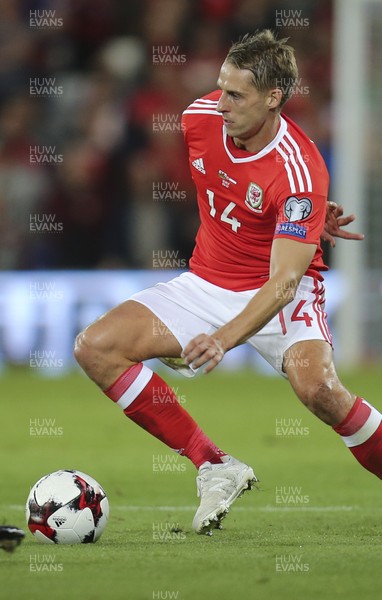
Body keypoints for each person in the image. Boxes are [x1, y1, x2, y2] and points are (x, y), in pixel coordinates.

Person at [74, 30, 372, 536]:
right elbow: (232, 187)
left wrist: (223, 338)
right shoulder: (197, 119)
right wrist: (293, 220)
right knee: (95, 347)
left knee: (320, 390)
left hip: (279, 290)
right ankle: (216, 465)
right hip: (207, 281)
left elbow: (284, 279)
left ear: (273, 98)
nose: (221, 105)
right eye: (220, 88)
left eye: (235, 95)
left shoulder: (300, 171)